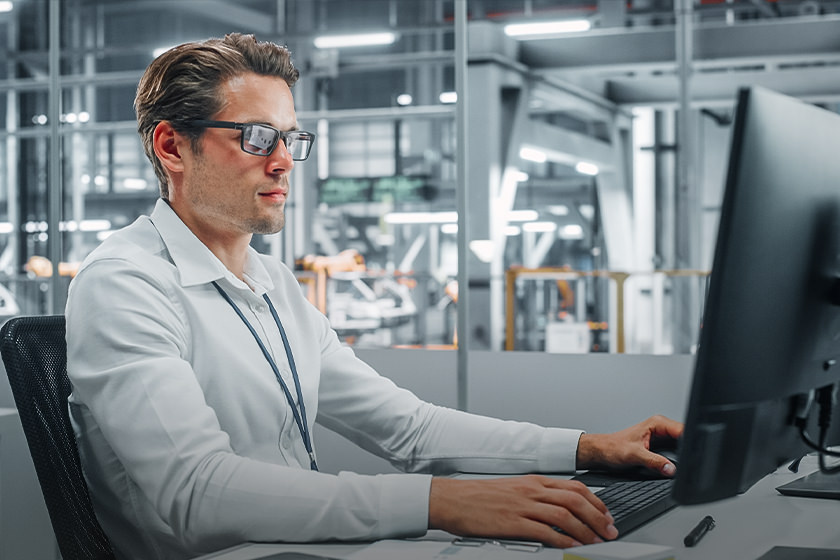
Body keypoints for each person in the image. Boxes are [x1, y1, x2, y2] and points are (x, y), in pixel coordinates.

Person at [65, 33, 683, 560]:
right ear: (173, 146)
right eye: (257, 138)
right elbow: (195, 492)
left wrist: (587, 448)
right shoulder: (126, 281)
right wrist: (443, 504)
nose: (284, 162)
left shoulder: (272, 283)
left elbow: (407, 429)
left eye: (290, 138)